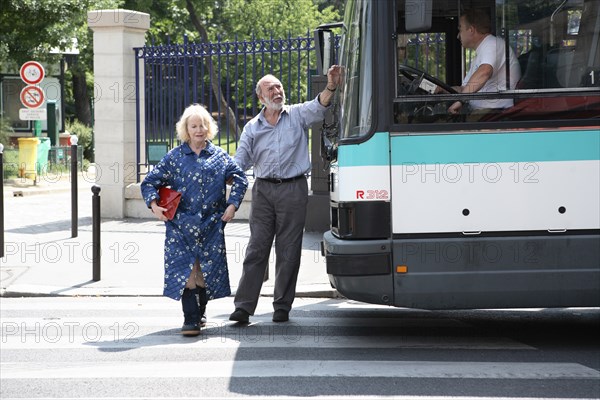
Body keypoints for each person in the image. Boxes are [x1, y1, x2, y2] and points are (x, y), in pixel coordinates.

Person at [229, 65, 343, 324]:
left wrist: (331, 86)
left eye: (279, 87)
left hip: (294, 188)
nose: (277, 91)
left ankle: (282, 305)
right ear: (261, 97)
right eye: (271, 88)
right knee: (257, 247)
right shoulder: (252, 128)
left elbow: (319, 105)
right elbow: (240, 161)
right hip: (263, 191)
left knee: (289, 249)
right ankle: (244, 307)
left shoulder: (297, 115)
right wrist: (225, 176)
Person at [141, 103, 248, 336]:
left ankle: (200, 313)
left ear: (209, 128)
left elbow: (240, 178)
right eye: (193, 126)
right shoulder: (175, 157)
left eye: (202, 125)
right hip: (180, 226)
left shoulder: (219, 156)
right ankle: (190, 319)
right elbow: (149, 182)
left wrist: (232, 205)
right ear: (186, 130)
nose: (198, 130)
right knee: (187, 272)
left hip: (211, 226)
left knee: (205, 272)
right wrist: (154, 206)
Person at [447, 8, 521, 118]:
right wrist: (441, 89)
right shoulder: (481, 52)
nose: (458, 36)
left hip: (493, 114)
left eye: (460, 30)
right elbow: (464, 89)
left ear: (471, 30)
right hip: (483, 113)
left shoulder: (492, 44)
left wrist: (460, 101)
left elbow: (484, 72)